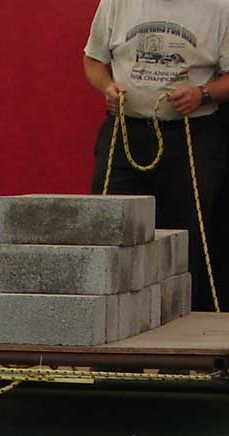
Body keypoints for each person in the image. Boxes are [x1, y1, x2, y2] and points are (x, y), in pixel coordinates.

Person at [84, 0, 229, 311]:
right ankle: (112, 334)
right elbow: (93, 61)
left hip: (192, 136)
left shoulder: (220, 7)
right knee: (109, 228)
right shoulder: (117, 3)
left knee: (185, 240)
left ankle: (181, 342)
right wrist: (108, 87)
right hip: (126, 131)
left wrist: (202, 94)